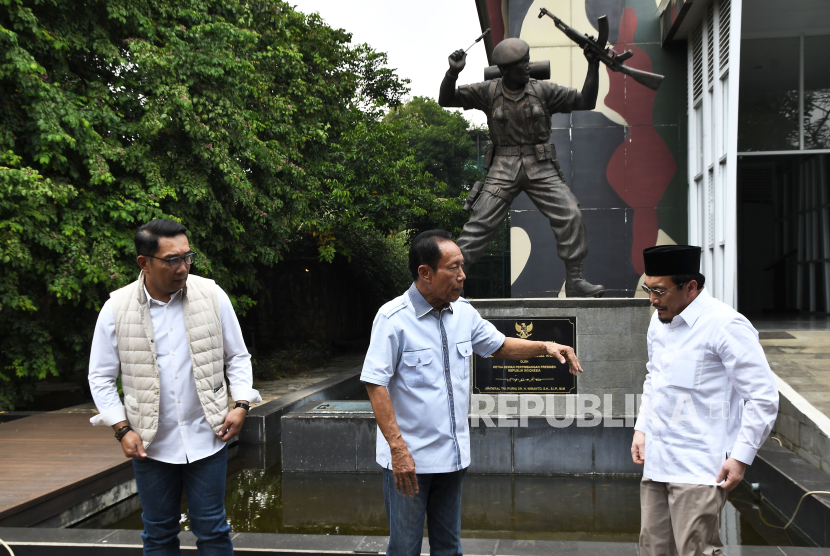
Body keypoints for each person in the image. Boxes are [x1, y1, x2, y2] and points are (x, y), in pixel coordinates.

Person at [361, 230, 584, 556]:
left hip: (452, 460)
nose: (462, 275)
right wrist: (398, 450)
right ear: (426, 272)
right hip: (410, 463)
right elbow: (375, 383)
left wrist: (545, 345)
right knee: (404, 549)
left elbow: (501, 346)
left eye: (462, 266)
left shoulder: (463, 312)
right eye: (453, 268)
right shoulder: (393, 319)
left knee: (449, 548)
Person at [88, 218, 261, 555]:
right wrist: (122, 429)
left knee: (212, 528)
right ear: (144, 263)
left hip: (208, 434)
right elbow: (100, 376)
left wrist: (241, 405)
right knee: (158, 533)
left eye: (186, 257)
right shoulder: (116, 308)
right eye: (172, 260)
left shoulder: (211, 295)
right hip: (150, 443)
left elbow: (238, 357)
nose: (182, 267)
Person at [631, 245, 779, 556]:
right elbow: (653, 377)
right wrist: (641, 429)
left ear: (691, 287)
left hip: (700, 466)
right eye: (648, 289)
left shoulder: (726, 325)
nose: (652, 299)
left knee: (696, 550)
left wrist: (740, 457)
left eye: (659, 290)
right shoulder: (659, 321)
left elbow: (762, 397)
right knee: (652, 548)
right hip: (658, 460)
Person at [438, 37, 604, 297]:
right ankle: (451, 284)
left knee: (571, 214)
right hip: (502, 167)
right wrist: (452, 72)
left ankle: (575, 281)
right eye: (521, 64)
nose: (528, 66)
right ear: (505, 70)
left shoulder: (543, 90)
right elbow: (446, 100)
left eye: (527, 61)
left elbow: (586, 101)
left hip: (541, 164)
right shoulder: (488, 91)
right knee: (478, 224)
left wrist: (593, 65)